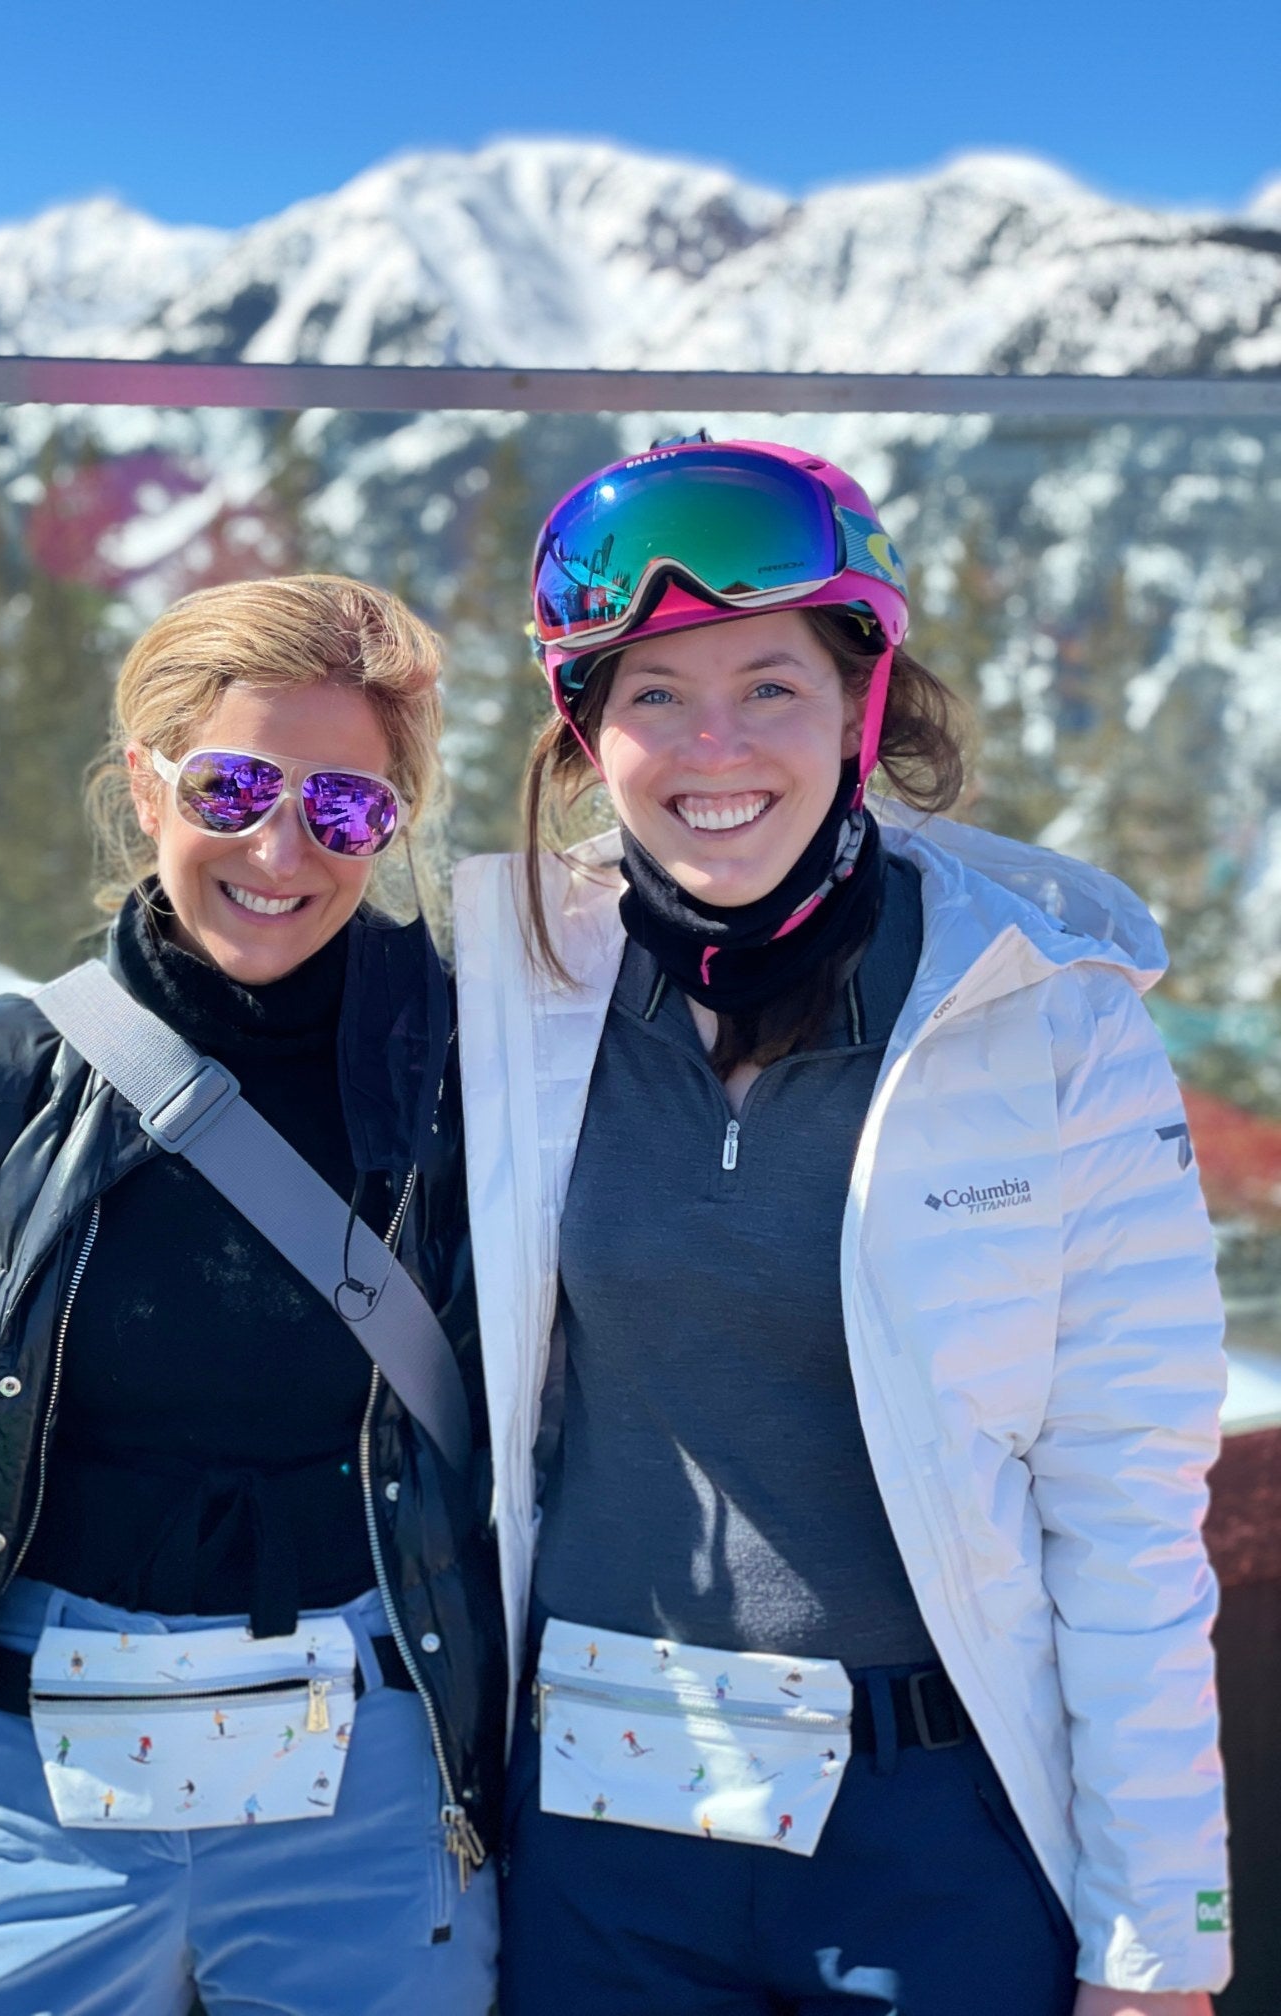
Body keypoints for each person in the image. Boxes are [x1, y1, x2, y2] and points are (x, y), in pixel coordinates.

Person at [452, 435, 1230, 2015]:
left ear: (864, 706)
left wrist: (1161, 1937)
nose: (710, 744)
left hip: (930, 1827)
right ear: (584, 730)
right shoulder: (513, 997)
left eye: (770, 685)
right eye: (651, 694)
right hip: (608, 1825)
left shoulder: (1039, 1019)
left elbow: (1125, 1496)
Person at [0, 576, 504, 2016]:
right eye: (235, 785)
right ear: (145, 784)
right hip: (29, 1784)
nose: (280, 847)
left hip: (370, 1783)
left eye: (348, 811)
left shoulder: (485, 1072)